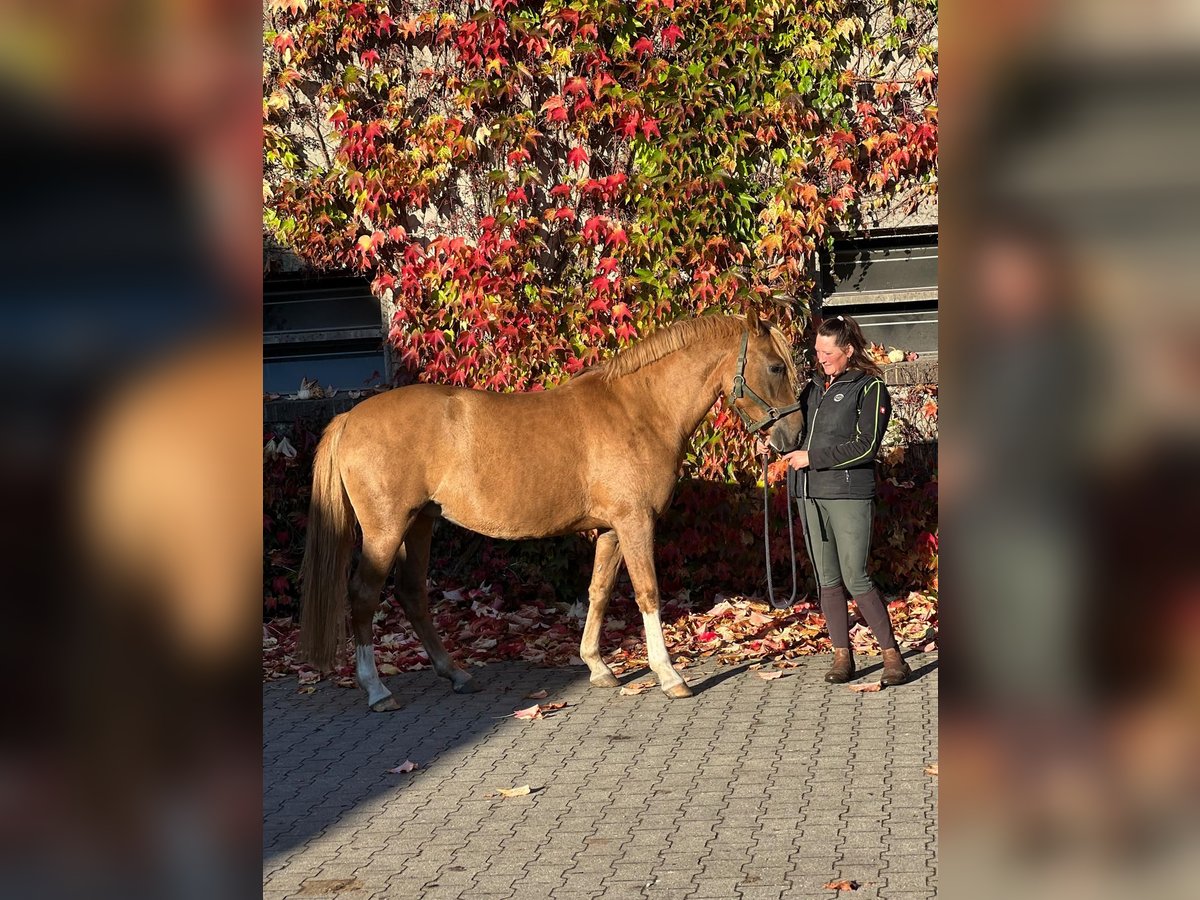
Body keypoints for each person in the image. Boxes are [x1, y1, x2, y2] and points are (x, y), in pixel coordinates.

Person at [784, 314, 910, 686]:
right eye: (817, 351)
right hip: (809, 493)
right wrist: (778, 445)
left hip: (848, 494)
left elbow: (867, 445)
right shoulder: (812, 389)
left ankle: (893, 656)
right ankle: (842, 655)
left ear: (848, 350)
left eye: (827, 352)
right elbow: (798, 435)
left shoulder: (869, 388)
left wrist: (813, 458)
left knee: (856, 576)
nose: (820, 358)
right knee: (827, 579)